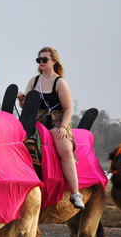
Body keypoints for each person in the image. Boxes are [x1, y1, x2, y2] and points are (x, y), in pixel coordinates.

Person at [17, 47, 84, 209]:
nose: (41, 62)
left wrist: (62, 127)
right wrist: (21, 100)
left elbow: (68, 108)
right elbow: (27, 107)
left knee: (65, 149)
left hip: (57, 121)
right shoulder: (34, 81)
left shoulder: (59, 82)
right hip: (36, 121)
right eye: (39, 59)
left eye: (44, 59)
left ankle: (75, 194)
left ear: (53, 61)